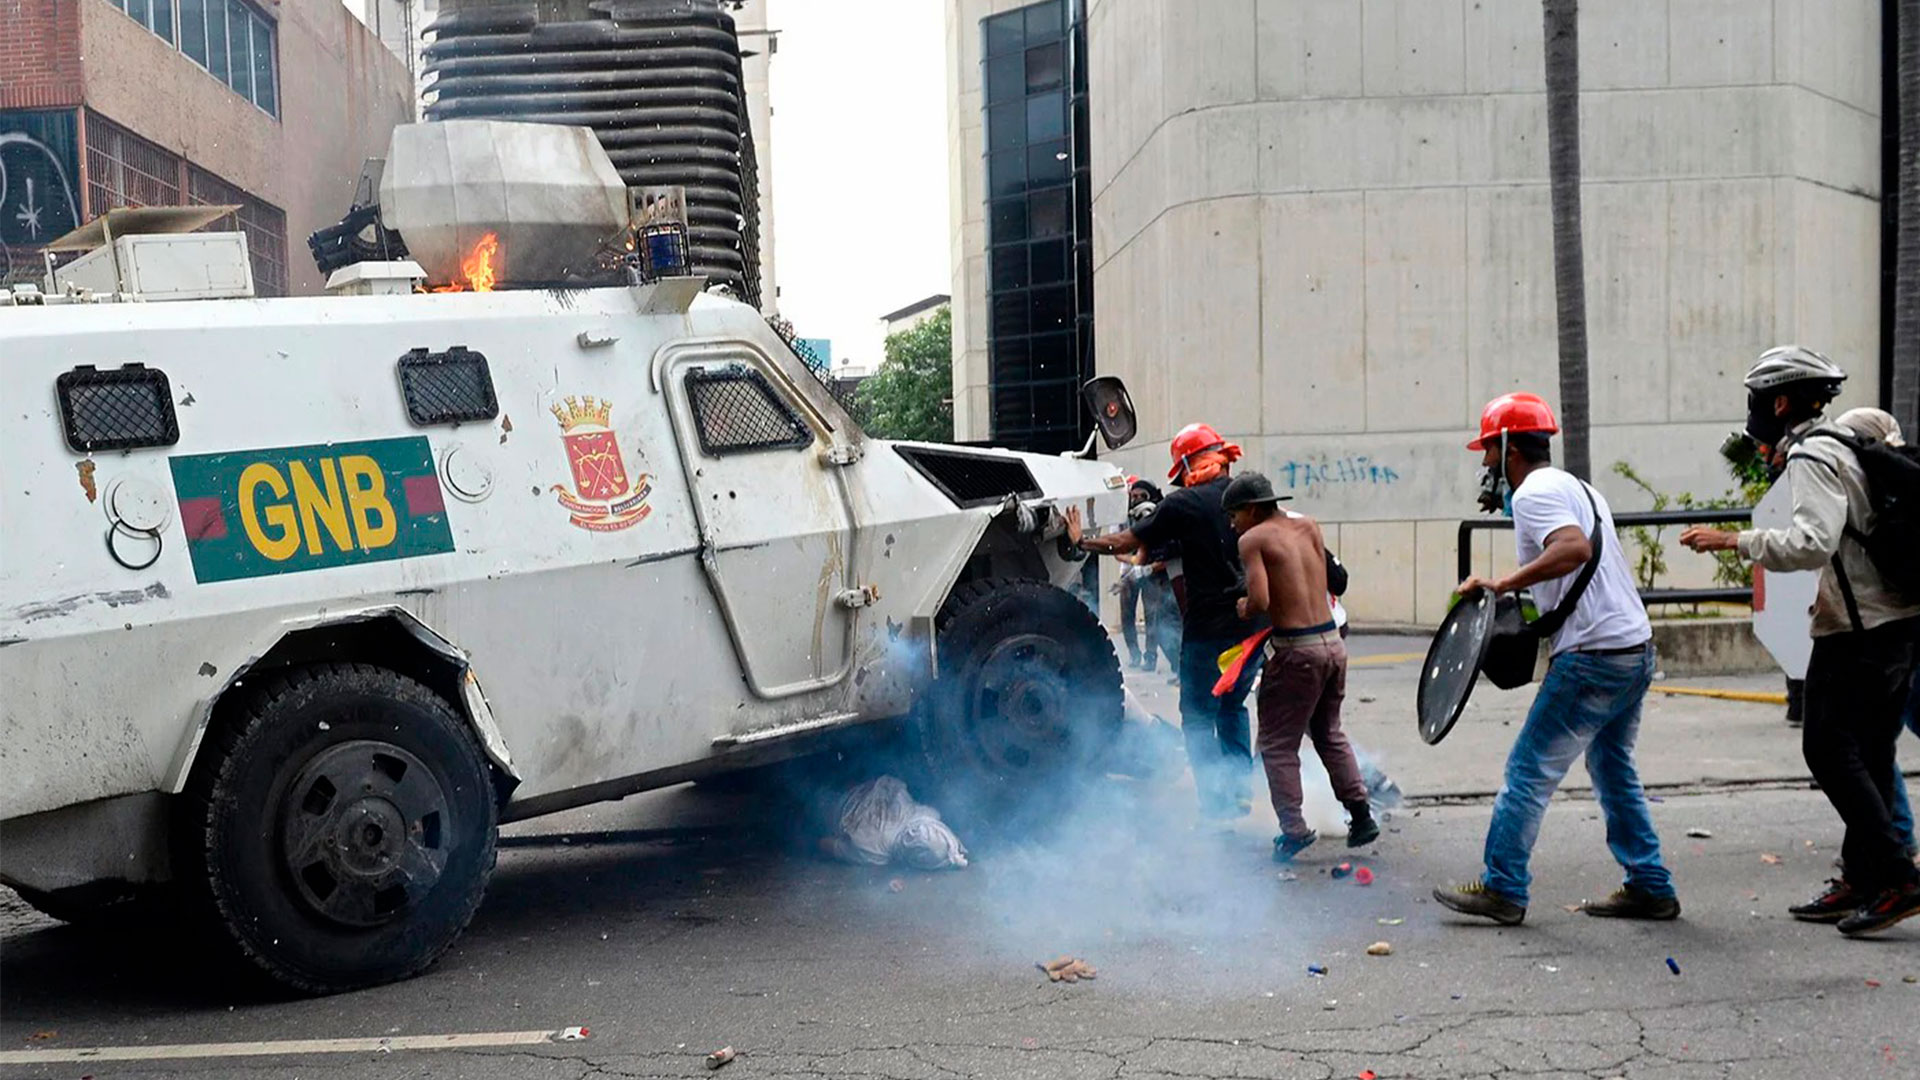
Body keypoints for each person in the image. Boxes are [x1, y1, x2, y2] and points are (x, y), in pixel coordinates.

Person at [1681, 361, 1920, 936]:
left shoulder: (1814, 454)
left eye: (1758, 397)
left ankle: (1899, 879)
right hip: (1897, 622)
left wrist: (1731, 540)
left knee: (1828, 751)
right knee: (1870, 752)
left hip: (1858, 634)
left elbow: (1811, 541)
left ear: (1781, 402)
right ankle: (1863, 878)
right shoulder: (1846, 443)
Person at [1434, 392, 1677, 926]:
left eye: (1486, 454)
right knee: (1612, 768)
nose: (1483, 466)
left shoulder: (1533, 493)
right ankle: (1650, 885)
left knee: (1528, 769)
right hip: (1633, 650)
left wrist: (1502, 583)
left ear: (1507, 448)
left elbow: (1573, 549)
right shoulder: (1577, 487)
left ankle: (1503, 887)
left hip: (1593, 657)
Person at [1065, 422, 1262, 822]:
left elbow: (1129, 541)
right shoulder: (1249, 498)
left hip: (1208, 632)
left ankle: (1215, 804)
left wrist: (1081, 540)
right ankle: (1240, 792)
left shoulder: (1183, 505)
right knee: (1232, 707)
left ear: (1188, 464)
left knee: (1198, 716)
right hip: (1251, 629)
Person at [1224, 471, 1378, 862]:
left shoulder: (1252, 539)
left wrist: (1243, 606)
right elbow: (1326, 579)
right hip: (1332, 643)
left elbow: (1258, 600)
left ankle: (1293, 829)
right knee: (1328, 731)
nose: (1232, 523)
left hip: (1296, 652)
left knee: (1277, 745)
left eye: (1235, 514)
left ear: (1254, 509)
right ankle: (1361, 815)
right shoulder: (1308, 526)